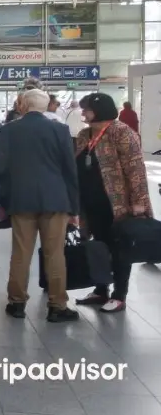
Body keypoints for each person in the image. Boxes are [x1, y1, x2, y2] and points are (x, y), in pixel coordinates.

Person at [0, 89, 80, 322]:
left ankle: (17, 303)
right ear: (45, 106)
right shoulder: (60, 130)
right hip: (56, 199)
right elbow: (70, 170)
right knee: (55, 254)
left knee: (21, 252)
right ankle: (57, 306)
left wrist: (5, 198)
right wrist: (74, 207)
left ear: (23, 104)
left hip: (21, 201)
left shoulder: (9, 130)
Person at [74, 93, 154, 313]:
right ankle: (101, 289)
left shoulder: (121, 132)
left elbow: (135, 169)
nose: (83, 113)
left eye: (86, 109)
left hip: (118, 205)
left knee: (120, 248)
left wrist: (138, 202)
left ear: (98, 110)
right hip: (91, 204)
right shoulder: (85, 134)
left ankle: (119, 295)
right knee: (99, 245)